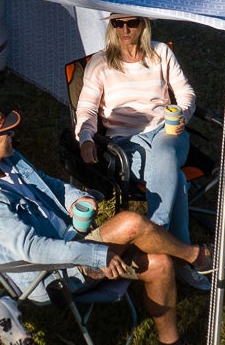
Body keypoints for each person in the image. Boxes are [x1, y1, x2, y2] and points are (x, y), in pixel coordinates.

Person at [0, 104, 225, 345]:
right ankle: (199, 257)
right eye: (7, 132)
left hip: (72, 240)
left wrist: (75, 198)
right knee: (132, 223)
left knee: (159, 262)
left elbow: (52, 185)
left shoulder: (9, 161)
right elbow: (33, 249)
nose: (13, 135)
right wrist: (98, 256)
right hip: (52, 275)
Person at [73, 15, 197, 249]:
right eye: (118, 24)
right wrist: (86, 139)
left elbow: (186, 93)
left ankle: (156, 230)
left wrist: (182, 114)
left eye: (132, 22)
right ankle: (183, 252)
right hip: (126, 144)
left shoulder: (160, 52)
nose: (125, 29)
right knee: (176, 177)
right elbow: (87, 109)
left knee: (164, 152)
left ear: (144, 24)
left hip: (167, 132)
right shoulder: (100, 63)